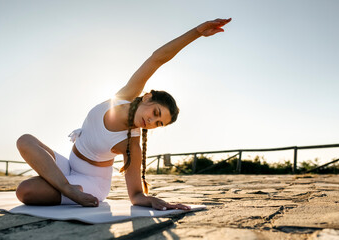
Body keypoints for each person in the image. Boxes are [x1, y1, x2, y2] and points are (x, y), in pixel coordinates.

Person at [15, 18, 232, 210]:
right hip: (69, 166)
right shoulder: (123, 97)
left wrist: (151, 200)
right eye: (156, 113)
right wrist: (196, 32)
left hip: (90, 183)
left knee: (25, 191)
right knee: (25, 140)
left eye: (158, 124)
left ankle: (68, 189)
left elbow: (136, 195)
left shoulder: (132, 144)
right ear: (147, 97)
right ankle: (65, 188)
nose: (151, 121)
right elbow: (157, 58)